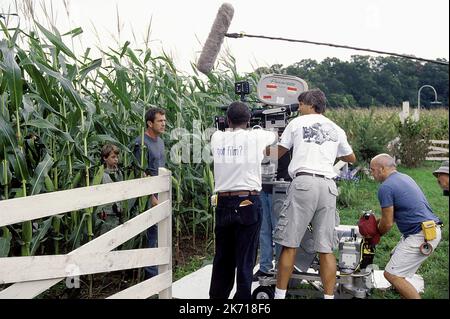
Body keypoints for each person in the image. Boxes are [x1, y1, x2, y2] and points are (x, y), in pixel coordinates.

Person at [270, 89, 356, 299]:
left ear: (310, 105)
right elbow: (351, 157)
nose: (298, 109)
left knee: (290, 244)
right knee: (326, 248)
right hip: (328, 187)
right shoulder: (336, 128)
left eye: (300, 105)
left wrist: (257, 151)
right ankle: (328, 297)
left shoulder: (297, 123)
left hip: (303, 184)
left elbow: (278, 152)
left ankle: (279, 297)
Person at [209, 101, 277, 299]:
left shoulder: (216, 137)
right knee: (245, 259)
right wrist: (258, 123)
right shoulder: (256, 136)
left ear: (228, 120)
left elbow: (223, 129)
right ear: (248, 120)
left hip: (223, 202)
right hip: (247, 201)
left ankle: (217, 299)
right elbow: (274, 135)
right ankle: (242, 301)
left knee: (223, 258)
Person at [370, 153, 442, 299]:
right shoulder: (404, 177)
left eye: (372, 170)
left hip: (422, 235)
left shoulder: (386, 187)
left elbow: (388, 223)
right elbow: (393, 214)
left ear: (382, 169)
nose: (372, 173)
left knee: (391, 274)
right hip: (430, 229)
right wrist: (374, 221)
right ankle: (402, 291)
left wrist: (374, 235)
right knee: (394, 256)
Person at [133, 107, 166, 279]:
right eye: (160, 121)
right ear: (149, 123)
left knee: (160, 234)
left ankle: (159, 273)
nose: (164, 124)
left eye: (164, 120)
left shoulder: (160, 141)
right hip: (148, 197)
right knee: (152, 236)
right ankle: (151, 278)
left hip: (162, 194)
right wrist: (151, 197)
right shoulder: (141, 143)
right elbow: (140, 172)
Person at [253, 151, 292, 281]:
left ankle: (281, 268)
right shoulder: (262, 137)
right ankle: (265, 268)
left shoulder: (286, 137)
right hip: (262, 187)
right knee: (263, 230)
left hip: (280, 187)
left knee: (279, 229)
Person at [98, 143, 124, 234]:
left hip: (117, 212)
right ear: (105, 158)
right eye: (113, 157)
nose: (116, 159)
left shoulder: (119, 173)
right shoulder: (101, 175)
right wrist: (101, 210)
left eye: (117, 157)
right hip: (106, 213)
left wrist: (120, 207)